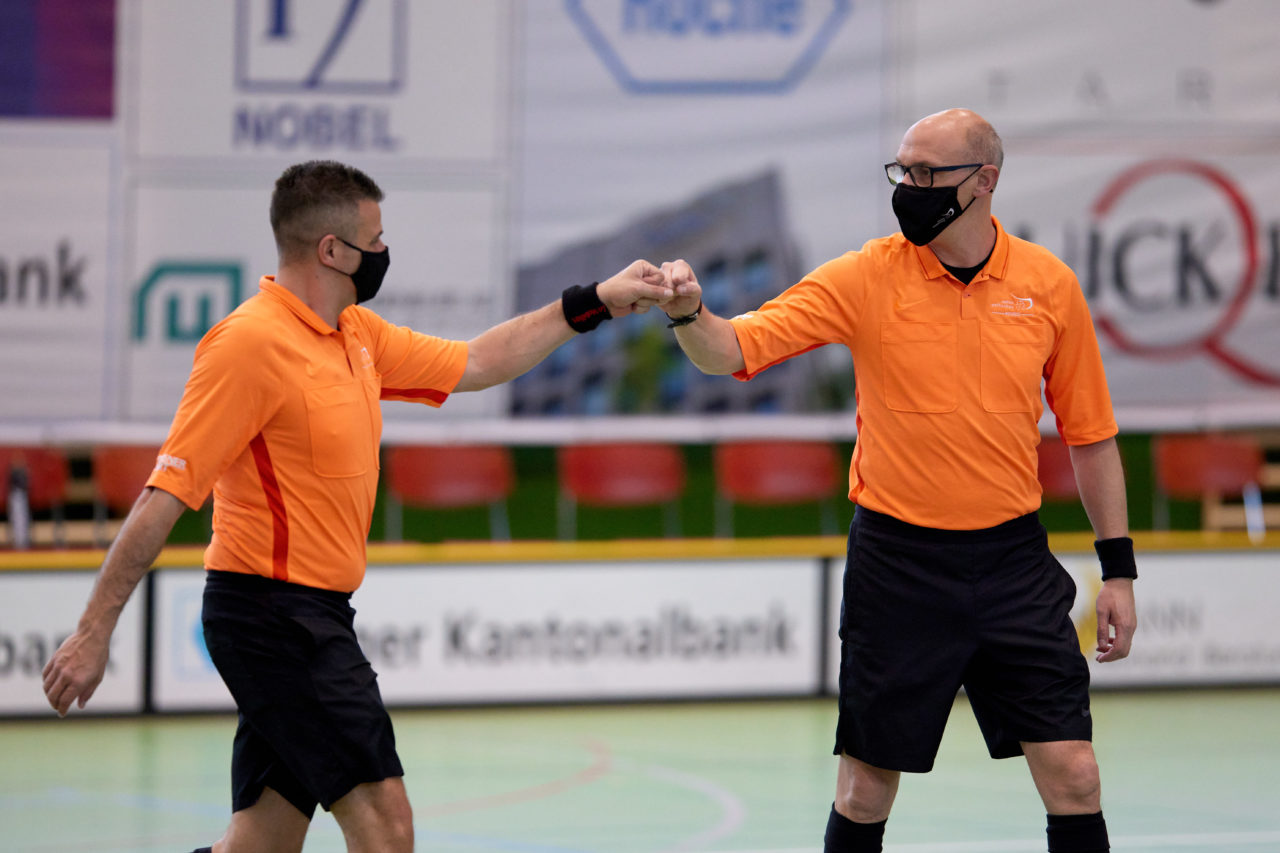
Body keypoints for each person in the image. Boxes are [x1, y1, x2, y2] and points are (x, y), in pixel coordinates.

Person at [41, 160, 674, 853]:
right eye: (375, 239)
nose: (383, 252)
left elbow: (479, 360)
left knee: (261, 842)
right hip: (273, 620)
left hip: (310, 615)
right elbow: (164, 497)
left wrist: (598, 301)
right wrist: (93, 631)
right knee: (385, 822)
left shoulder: (356, 334)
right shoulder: (248, 344)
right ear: (331, 250)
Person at [657, 109, 1138, 853]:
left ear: (985, 182)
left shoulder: (1049, 286)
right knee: (865, 787)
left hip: (1013, 564)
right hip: (897, 565)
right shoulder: (864, 276)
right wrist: (689, 313)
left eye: (924, 174)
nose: (907, 187)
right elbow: (733, 349)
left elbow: (1092, 437)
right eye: (902, 171)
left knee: (1075, 773)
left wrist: (1120, 573)